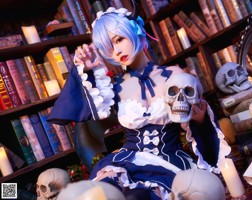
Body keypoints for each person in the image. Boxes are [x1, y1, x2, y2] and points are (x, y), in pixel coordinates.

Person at [48, 5, 230, 200]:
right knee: (107, 190)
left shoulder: (174, 75)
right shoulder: (113, 88)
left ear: (135, 31)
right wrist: (85, 70)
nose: (117, 51)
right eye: (109, 48)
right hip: (127, 160)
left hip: (168, 161)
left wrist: (200, 119)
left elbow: (198, 128)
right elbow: (76, 108)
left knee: (143, 195)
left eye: (119, 39)